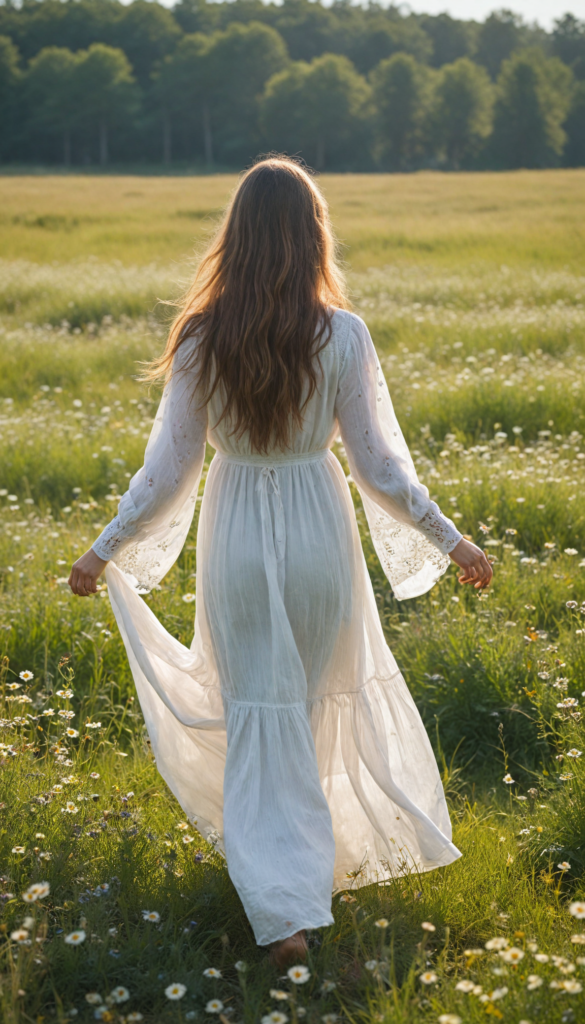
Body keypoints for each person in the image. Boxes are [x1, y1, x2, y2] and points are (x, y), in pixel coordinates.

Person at [69, 156, 492, 969]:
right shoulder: (343, 334)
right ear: (311, 235)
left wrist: (103, 548)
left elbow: (167, 473)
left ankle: (286, 908)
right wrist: (451, 536)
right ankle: (297, 884)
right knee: (299, 708)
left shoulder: (201, 335)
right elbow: (379, 467)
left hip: (235, 533)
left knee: (258, 711)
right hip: (316, 533)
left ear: (236, 236)